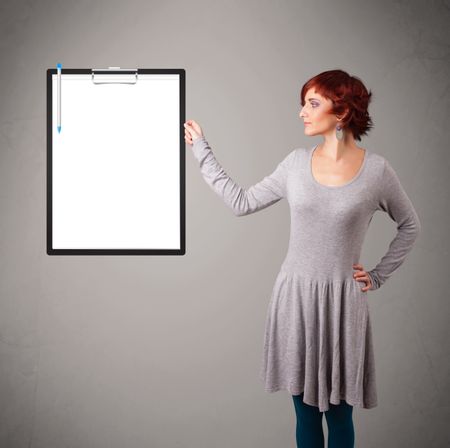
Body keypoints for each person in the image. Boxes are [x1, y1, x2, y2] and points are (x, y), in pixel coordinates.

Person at [184, 69, 421, 448]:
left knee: (341, 415)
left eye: (313, 103)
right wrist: (202, 149)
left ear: (341, 113)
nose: (302, 112)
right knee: (305, 413)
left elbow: (410, 226)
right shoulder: (295, 164)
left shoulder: (377, 171)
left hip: (344, 304)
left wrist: (377, 276)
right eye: (303, 104)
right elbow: (241, 202)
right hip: (295, 301)